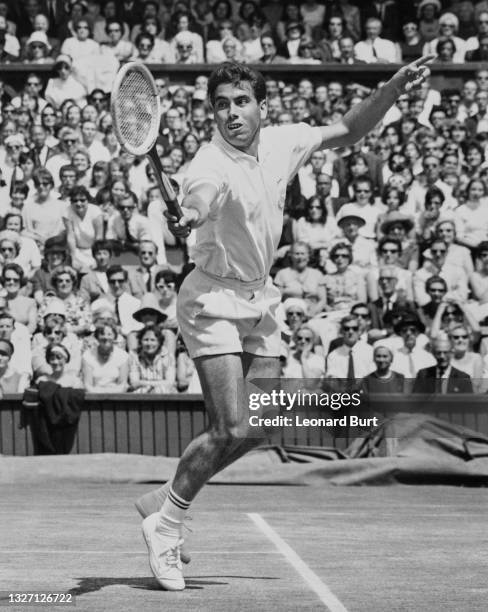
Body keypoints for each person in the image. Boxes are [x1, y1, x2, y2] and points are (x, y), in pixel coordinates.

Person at [138, 57, 434, 591]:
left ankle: (165, 497)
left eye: (242, 101)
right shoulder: (207, 164)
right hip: (210, 298)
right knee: (230, 425)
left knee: (260, 424)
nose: (232, 113)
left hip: (262, 297)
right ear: (212, 112)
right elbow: (199, 200)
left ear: (261, 107)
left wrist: (391, 88)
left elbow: (348, 129)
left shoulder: (284, 141)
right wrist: (190, 215)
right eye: (222, 104)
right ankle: (167, 523)